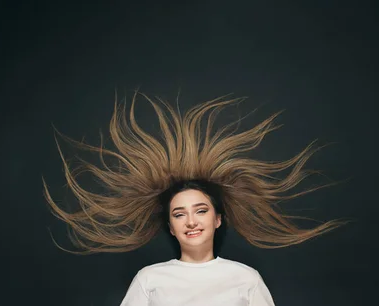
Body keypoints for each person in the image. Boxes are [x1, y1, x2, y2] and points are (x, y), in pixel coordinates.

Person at [43, 92, 348, 305]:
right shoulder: (150, 279)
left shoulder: (246, 278)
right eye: (179, 214)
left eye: (200, 210)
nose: (190, 221)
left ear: (218, 219)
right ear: (171, 226)